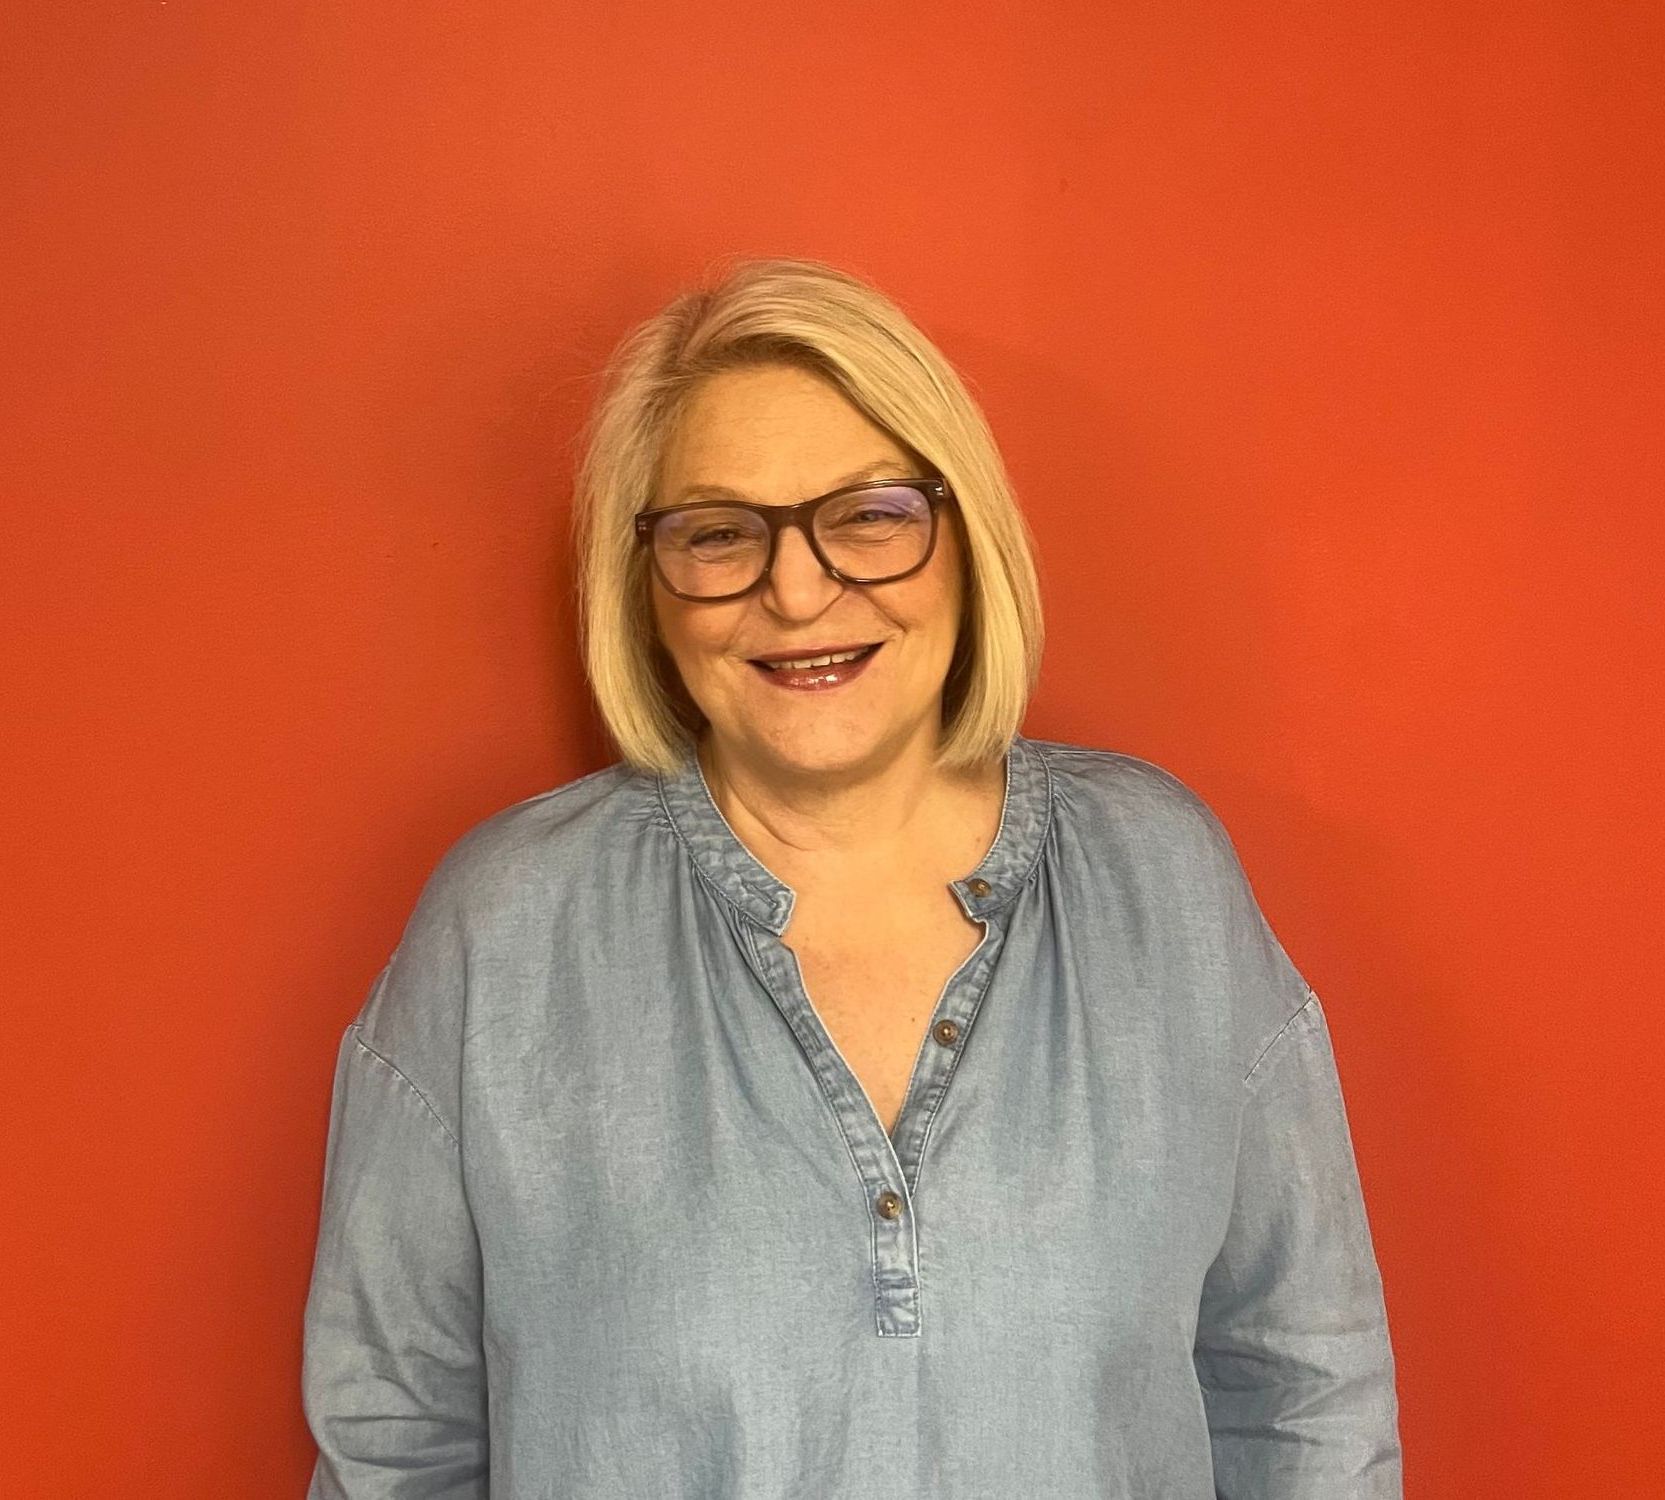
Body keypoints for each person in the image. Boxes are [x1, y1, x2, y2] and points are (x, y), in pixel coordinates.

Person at [301, 257, 1402, 1498]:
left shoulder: (1164, 886)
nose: (798, 590)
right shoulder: (503, 933)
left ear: (964, 538)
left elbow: (1305, 1389)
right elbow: (393, 1441)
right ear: (646, 586)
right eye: (719, 533)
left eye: (870, 515)